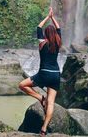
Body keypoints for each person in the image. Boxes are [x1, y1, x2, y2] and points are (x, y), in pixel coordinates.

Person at [19, 7, 62, 136]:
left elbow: (38, 27)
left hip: (43, 74)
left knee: (22, 85)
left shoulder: (42, 42)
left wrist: (47, 17)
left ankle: (40, 98)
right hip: (55, 75)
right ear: (54, 34)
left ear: (46, 34)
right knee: (51, 103)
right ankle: (43, 129)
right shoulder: (58, 42)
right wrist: (53, 18)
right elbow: (58, 28)